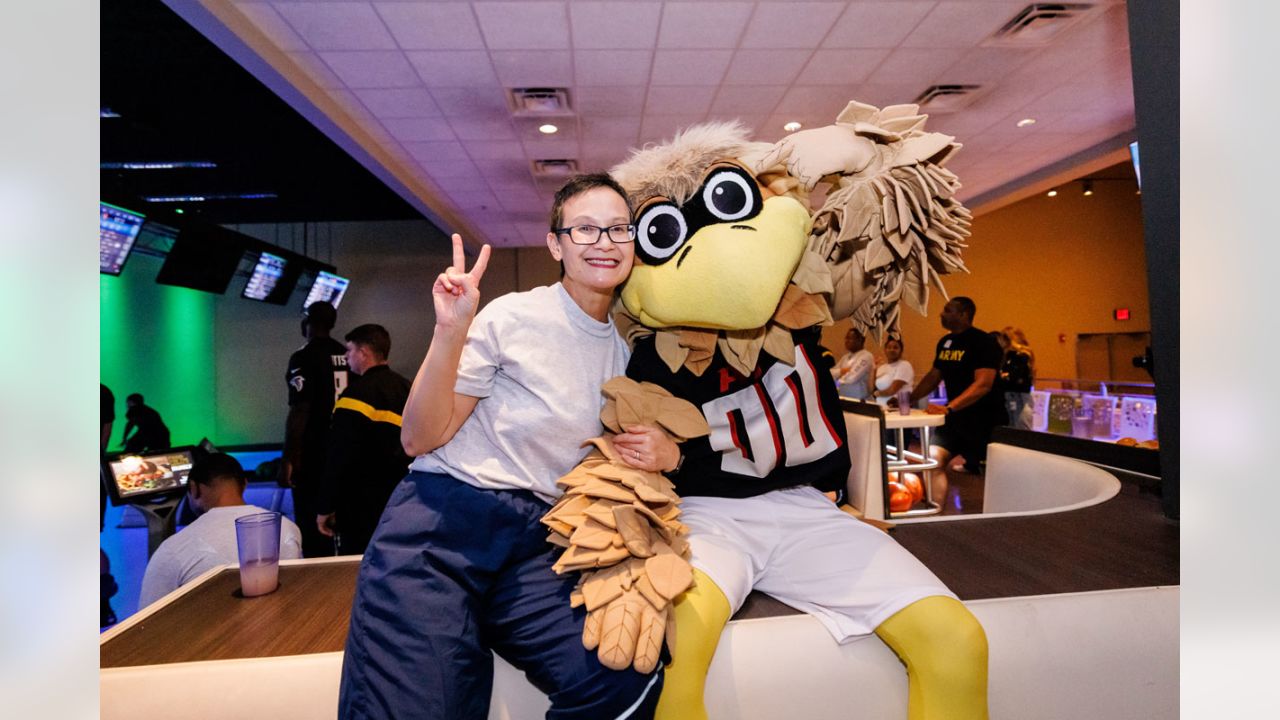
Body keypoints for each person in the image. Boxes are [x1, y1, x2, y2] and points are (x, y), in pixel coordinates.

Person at [338, 174, 663, 719]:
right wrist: (451, 331)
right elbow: (418, 437)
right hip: (442, 522)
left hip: (538, 541)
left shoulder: (629, 352)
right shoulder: (514, 316)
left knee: (621, 677)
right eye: (585, 229)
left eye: (617, 228)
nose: (604, 242)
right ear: (556, 244)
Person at [137, 453, 301, 608]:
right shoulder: (288, 528)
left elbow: (145, 621)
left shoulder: (172, 549)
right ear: (244, 484)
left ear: (194, 489)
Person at [315, 323, 412, 557]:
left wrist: (326, 506)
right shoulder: (409, 389)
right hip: (404, 499)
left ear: (364, 353)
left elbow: (339, 455)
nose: (346, 357)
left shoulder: (354, 397)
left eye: (349, 351)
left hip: (360, 505)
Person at [899, 297, 1007, 498]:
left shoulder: (984, 342)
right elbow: (934, 376)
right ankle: (935, 512)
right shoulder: (945, 343)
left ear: (964, 314)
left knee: (989, 477)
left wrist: (949, 407)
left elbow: (983, 384)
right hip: (955, 420)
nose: (941, 314)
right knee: (932, 460)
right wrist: (910, 398)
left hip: (984, 421)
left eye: (948, 310)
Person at [283, 300, 349, 558]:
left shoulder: (303, 356)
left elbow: (300, 409)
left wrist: (289, 458)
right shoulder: (346, 353)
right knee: (338, 521)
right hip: (342, 449)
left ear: (307, 322)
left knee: (312, 526)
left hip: (313, 453)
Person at [995, 327, 1035, 430]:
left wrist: (1004, 376)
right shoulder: (1006, 357)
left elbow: (1013, 376)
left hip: (1021, 396)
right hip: (1009, 395)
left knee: (1021, 427)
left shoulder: (1022, 356)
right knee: (1012, 427)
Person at [831, 324, 874, 400]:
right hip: (843, 398)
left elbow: (851, 378)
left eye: (849, 338)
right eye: (846, 338)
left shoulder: (866, 356)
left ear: (859, 340)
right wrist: (841, 371)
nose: (846, 341)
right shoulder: (845, 357)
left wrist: (838, 380)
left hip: (859, 401)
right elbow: (830, 374)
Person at [871, 336, 914, 406]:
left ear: (901, 351)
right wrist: (874, 369)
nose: (892, 350)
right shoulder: (881, 367)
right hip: (880, 407)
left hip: (897, 408)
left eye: (895, 347)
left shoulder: (904, 365)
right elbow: (872, 388)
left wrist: (877, 393)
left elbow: (892, 390)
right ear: (885, 350)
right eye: (889, 347)